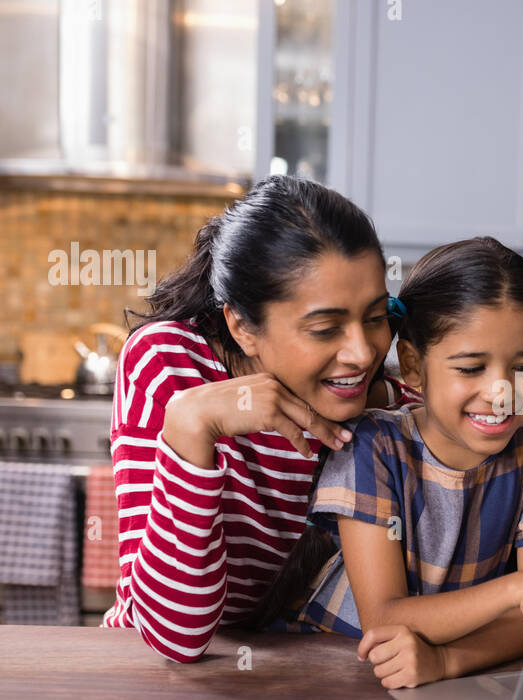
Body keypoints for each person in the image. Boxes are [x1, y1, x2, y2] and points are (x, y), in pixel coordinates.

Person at [102, 175, 419, 662]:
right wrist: (192, 424)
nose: (362, 352)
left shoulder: (394, 412)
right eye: (325, 328)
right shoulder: (169, 364)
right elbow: (176, 636)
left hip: (302, 674)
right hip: (161, 672)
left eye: (376, 318)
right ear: (242, 327)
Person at [266, 237, 523, 687]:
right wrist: (517, 588)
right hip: (330, 667)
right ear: (413, 365)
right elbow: (384, 618)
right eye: (471, 368)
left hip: (433, 676)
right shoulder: (372, 446)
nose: (502, 392)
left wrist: (448, 662)